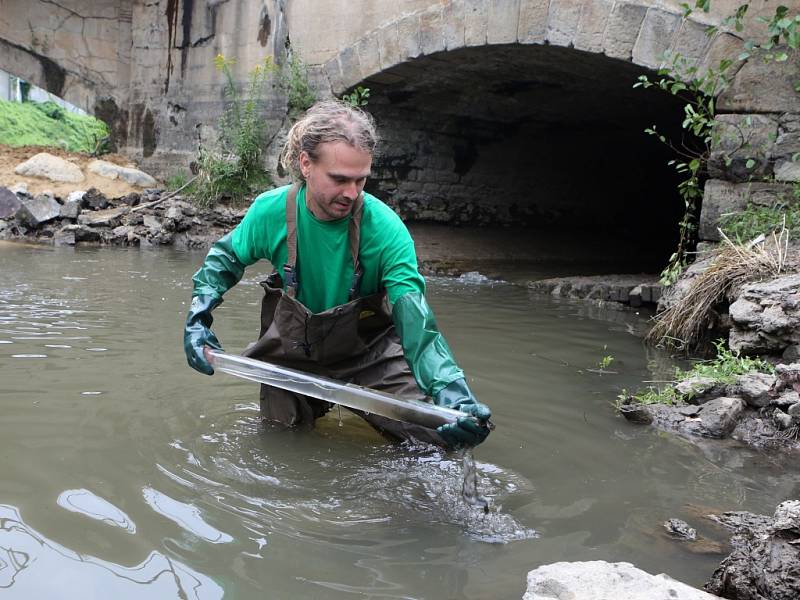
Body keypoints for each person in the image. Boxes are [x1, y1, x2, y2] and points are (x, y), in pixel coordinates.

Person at [183, 100, 491, 449]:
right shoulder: (270, 212)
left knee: (436, 439)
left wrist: (451, 391)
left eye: (361, 180)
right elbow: (224, 260)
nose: (352, 193)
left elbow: (415, 319)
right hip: (293, 355)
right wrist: (198, 318)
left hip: (370, 353)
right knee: (280, 443)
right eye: (339, 179)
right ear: (305, 164)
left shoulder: (387, 229)